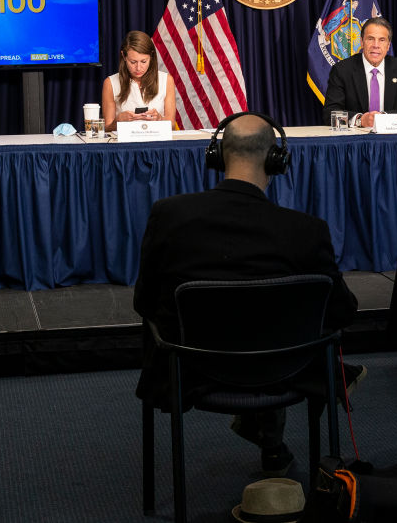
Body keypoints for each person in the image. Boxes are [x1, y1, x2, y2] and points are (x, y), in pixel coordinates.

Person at [134, 112, 360, 477]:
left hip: (191, 371)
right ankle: (277, 446)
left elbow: (143, 304)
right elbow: (342, 313)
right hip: (284, 370)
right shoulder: (307, 231)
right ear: (277, 160)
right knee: (279, 329)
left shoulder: (168, 216)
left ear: (217, 156)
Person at [321, 16, 397, 129]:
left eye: (382, 40)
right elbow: (330, 114)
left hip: (392, 139)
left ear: (388, 45)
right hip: (355, 140)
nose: (376, 45)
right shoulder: (342, 70)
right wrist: (360, 120)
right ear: (361, 42)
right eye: (370, 39)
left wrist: (385, 119)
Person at [101, 30, 176, 130]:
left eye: (144, 61)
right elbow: (106, 128)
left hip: (157, 142)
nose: (138, 68)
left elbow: (172, 125)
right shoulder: (110, 83)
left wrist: (160, 119)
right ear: (124, 56)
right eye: (133, 62)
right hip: (125, 144)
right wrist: (118, 121)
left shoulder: (167, 80)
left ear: (151, 56)